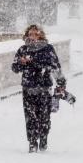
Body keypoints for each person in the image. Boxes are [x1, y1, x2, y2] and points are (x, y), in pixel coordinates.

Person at [11, 24, 66, 153]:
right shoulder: (23, 50)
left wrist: (61, 83)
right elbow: (14, 68)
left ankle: (43, 138)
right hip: (28, 88)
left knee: (44, 117)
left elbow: (55, 67)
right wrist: (21, 62)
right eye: (30, 34)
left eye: (35, 34)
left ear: (41, 35)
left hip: (44, 89)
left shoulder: (48, 49)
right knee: (30, 117)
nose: (33, 37)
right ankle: (32, 142)